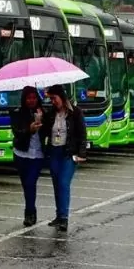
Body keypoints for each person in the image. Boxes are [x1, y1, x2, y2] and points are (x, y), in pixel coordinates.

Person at [41, 85, 90, 232]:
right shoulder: (50, 113)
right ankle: (59, 215)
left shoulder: (75, 112)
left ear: (62, 97)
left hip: (68, 152)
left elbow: (82, 134)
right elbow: (44, 131)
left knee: (63, 183)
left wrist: (82, 153)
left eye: (54, 98)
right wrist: (39, 120)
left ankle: (64, 218)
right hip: (54, 151)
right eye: (50, 99)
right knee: (57, 184)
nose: (53, 101)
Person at [10, 86, 46, 226]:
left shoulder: (44, 112)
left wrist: (42, 119)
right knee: (26, 185)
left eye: (34, 97)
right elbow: (17, 132)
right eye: (28, 98)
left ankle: (30, 213)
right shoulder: (17, 113)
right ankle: (30, 211)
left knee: (31, 183)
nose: (31, 100)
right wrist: (29, 130)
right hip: (21, 154)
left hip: (37, 155)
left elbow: (49, 130)